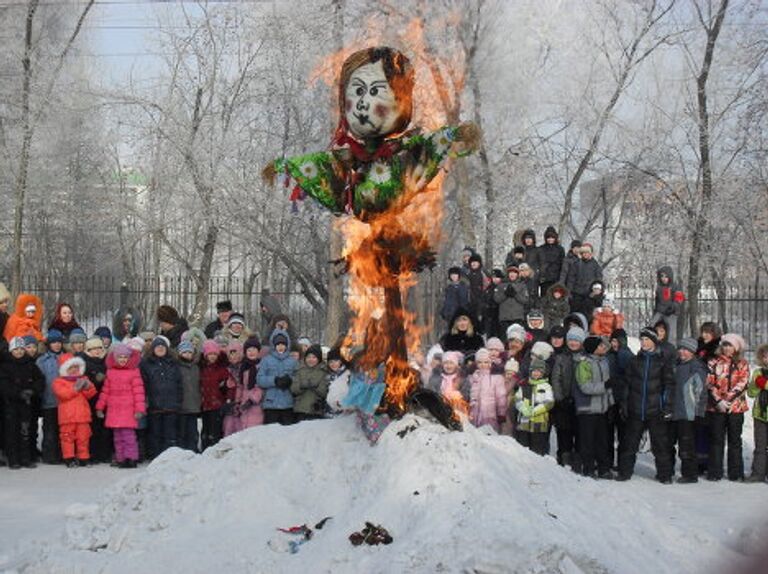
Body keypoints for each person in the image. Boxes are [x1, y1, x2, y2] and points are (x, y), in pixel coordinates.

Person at [616, 327, 674, 483]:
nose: (643, 342)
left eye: (647, 339)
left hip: (656, 410)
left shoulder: (662, 362)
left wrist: (666, 406)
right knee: (629, 444)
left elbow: (668, 386)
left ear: (654, 342)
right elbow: (627, 384)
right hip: (636, 409)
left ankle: (665, 475)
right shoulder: (634, 361)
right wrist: (625, 404)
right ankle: (624, 472)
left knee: (660, 445)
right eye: (642, 339)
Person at [706, 333, 749, 482]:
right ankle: (714, 471)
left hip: (736, 408)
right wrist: (718, 401)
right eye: (725, 345)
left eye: (730, 345)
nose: (727, 348)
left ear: (736, 348)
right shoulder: (713, 362)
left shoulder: (742, 363)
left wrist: (728, 400)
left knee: (735, 440)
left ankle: (735, 472)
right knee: (716, 439)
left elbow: (743, 383)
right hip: (716, 407)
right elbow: (709, 382)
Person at [95, 343, 146, 468]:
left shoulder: (134, 372)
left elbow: (139, 392)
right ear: (115, 358)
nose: (122, 360)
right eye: (120, 357)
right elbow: (105, 392)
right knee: (117, 436)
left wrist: (140, 409)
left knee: (129, 436)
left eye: (125, 357)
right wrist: (100, 407)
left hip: (128, 409)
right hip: (114, 409)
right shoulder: (111, 372)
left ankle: (131, 458)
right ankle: (121, 458)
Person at [0, 337, 45, 468]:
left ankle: (26, 458)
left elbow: (40, 380)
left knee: (25, 431)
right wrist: (18, 393)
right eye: (16, 349)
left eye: (21, 349)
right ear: (11, 350)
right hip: (11, 405)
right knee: (11, 432)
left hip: (26, 404)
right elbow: (3, 385)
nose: (19, 352)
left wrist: (33, 391)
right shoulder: (5, 366)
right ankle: (13, 459)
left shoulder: (30, 364)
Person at [574, 336, 614, 478]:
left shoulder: (604, 362)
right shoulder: (583, 364)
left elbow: (609, 386)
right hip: (587, 408)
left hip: (602, 409)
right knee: (588, 441)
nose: (603, 348)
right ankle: (588, 468)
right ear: (593, 348)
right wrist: (605, 386)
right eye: (600, 346)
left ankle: (604, 469)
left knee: (602, 441)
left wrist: (611, 404)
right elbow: (585, 386)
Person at [670, 338, 708, 483]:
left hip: (689, 413)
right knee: (670, 443)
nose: (682, 352)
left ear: (693, 352)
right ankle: (669, 470)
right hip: (675, 411)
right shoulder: (676, 365)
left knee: (686, 446)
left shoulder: (697, 367)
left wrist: (698, 412)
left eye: (686, 350)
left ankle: (690, 474)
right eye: (680, 349)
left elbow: (701, 393)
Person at [140, 336, 183, 459]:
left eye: (162, 347)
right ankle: (155, 456)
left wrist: (178, 401)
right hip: (155, 406)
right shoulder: (146, 364)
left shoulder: (173, 363)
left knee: (170, 433)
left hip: (172, 405)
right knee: (155, 433)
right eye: (157, 347)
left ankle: (169, 457)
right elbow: (144, 384)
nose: (160, 349)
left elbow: (179, 383)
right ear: (153, 349)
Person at [53, 355, 97, 467]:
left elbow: (91, 394)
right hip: (67, 417)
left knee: (84, 438)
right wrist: (76, 389)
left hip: (83, 416)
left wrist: (88, 387)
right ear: (65, 369)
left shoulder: (83, 379)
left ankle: (84, 458)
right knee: (67, 438)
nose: (74, 370)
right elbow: (63, 395)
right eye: (71, 367)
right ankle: (69, 458)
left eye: (76, 367)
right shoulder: (59, 382)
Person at [550, 326, 584, 469]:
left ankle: (577, 459)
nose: (573, 343)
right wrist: (560, 398)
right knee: (564, 431)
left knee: (579, 432)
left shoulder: (585, 357)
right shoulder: (561, 357)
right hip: (564, 401)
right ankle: (564, 457)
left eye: (576, 340)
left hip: (580, 402)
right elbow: (556, 379)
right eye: (570, 340)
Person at [257, 329, 299, 425]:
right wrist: (274, 381)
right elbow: (260, 379)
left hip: (288, 404)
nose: (281, 347)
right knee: (271, 434)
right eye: (278, 344)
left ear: (287, 345)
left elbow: (298, 378)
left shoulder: (293, 361)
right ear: (273, 345)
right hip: (271, 404)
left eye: (283, 344)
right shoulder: (266, 360)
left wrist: (290, 381)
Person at [514, 357, 554, 455]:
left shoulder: (546, 386)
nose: (536, 373)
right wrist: (523, 408)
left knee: (537, 449)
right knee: (523, 448)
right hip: (524, 422)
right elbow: (517, 399)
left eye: (539, 371)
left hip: (539, 423)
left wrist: (534, 411)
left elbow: (549, 402)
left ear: (543, 373)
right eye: (534, 371)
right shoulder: (524, 385)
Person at [36, 329, 65, 464]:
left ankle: (62, 454)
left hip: (64, 402)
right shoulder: (42, 360)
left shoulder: (67, 358)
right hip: (48, 400)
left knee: (63, 430)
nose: (57, 345)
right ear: (49, 344)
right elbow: (38, 379)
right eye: (54, 342)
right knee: (49, 429)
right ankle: (49, 455)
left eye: (59, 342)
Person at [81, 337, 111, 464]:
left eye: (99, 348)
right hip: (91, 400)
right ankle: (93, 454)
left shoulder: (108, 362)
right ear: (88, 350)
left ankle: (104, 454)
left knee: (105, 427)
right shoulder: (84, 363)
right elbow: (82, 382)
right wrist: (95, 380)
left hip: (106, 400)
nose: (97, 351)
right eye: (93, 349)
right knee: (92, 428)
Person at [607, 328, 633, 469]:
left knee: (623, 436)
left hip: (624, 400)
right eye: (613, 340)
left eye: (617, 341)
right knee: (607, 434)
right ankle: (608, 462)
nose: (615, 344)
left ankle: (623, 464)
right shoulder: (608, 355)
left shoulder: (627, 355)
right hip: (610, 400)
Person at [468, 348, 507, 433]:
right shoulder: (472, 377)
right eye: (480, 362)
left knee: (490, 435)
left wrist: (501, 413)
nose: (483, 365)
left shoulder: (496, 378)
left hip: (490, 414)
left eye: (486, 362)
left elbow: (501, 397)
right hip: (474, 414)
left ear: (490, 363)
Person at [199, 340, 228, 450]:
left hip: (217, 404)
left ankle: (215, 448)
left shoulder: (222, 369)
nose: (212, 357)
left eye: (214, 354)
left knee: (215, 429)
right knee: (205, 428)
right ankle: (204, 448)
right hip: (205, 404)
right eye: (210, 354)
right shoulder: (202, 369)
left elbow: (226, 385)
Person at [747, 344, 768, 483]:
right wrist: (756, 384)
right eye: (765, 356)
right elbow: (751, 392)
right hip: (760, 414)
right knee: (760, 446)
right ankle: (758, 473)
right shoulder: (758, 372)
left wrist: (765, 384)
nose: (767, 359)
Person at [291, 344, 329, 422]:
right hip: (300, 409)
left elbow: (324, 391)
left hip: (316, 410)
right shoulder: (299, 370)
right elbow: (293, 389)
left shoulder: (323, 372)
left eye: (314, 357)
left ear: (318, 359)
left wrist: (314, 387)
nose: (311, 359)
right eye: (309, 357)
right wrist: (302, 387)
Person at [176, 340, 201, 451]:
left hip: (193, 404)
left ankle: (193, 447)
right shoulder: (177, 367)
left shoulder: (196, 367)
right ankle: (182, 449)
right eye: (185, 352)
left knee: (193, 429)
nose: (187, 355)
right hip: (181, 405)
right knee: (181, 430)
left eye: (189, 352)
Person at [651, 266, 684, 343]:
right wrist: (656, 310)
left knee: (670, 332)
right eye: (662, 276)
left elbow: (679, 298)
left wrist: (673, 307)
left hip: (671, 312)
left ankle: (670, 347)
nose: (663, 278)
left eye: (666, 276)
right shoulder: (659, 287)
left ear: (670, 276)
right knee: (652, 325)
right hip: (660, 311)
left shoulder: (675, 287)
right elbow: (657, 300)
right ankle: (653, 342)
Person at [494, 266, 529, 338]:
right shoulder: (501, 285)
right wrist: (505, 294)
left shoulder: (522, 285)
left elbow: (525, 300)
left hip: (517, 318)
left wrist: (516, 294)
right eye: (510, 273)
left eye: (514, 273)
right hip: (504, 318)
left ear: (517, 274)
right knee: (505, 339)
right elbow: (496, 299)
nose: (512, 274)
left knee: (517, 338)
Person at [237, 337, 264, 430]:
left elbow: (261, 386)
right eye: (249, 350)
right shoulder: (243, 367)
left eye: (254, 350)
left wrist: (252, 400)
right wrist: (237, 401)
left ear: (258, 351)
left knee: (254, 428)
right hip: (244, 403)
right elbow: (240, 386)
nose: (251, 352)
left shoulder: (261, 367)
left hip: (256, 405)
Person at [569, 244, 602, 317]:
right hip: (577, 293)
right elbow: (571, 278)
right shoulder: (576, 264)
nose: (585, 254)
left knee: (588, 314)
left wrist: (596, 291)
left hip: (589, 294)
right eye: (583, 253)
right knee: (575, 314)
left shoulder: (595, 265)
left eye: (587, 252)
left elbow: (599, 279)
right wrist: (569, 291)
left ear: (590, 253)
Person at [537, 226, 565, 298]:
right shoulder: (541, 249)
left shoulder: (560, 249)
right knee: (544, 298)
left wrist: (561, 279)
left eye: (552, 237)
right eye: (548, 238)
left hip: (556, 278)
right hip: (544, 278)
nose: (550, 239)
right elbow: (538, 263)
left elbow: (562, 264)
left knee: (555, 298)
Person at [326, 348, 351, 415]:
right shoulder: (329, 376)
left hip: (346, 410)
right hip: (332, 411)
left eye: (336, 361)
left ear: (341, 361)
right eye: (331, 362)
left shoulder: (347, 374)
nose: (333, 364)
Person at [465, 253, 489, 326]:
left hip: (481, 302)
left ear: (479, 263)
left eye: (476, 262)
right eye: (472, 262)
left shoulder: (483, 273)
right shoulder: (467, 274)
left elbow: (487, 286)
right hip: (470, 303)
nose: (474, 263)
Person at [482, 269, 504, 339]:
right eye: (494, 277)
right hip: (489, 316)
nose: (495, 279)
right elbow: (484, 300)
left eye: (497, 277)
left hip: (499, 315)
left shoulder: (503, 287)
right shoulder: (488, 288)